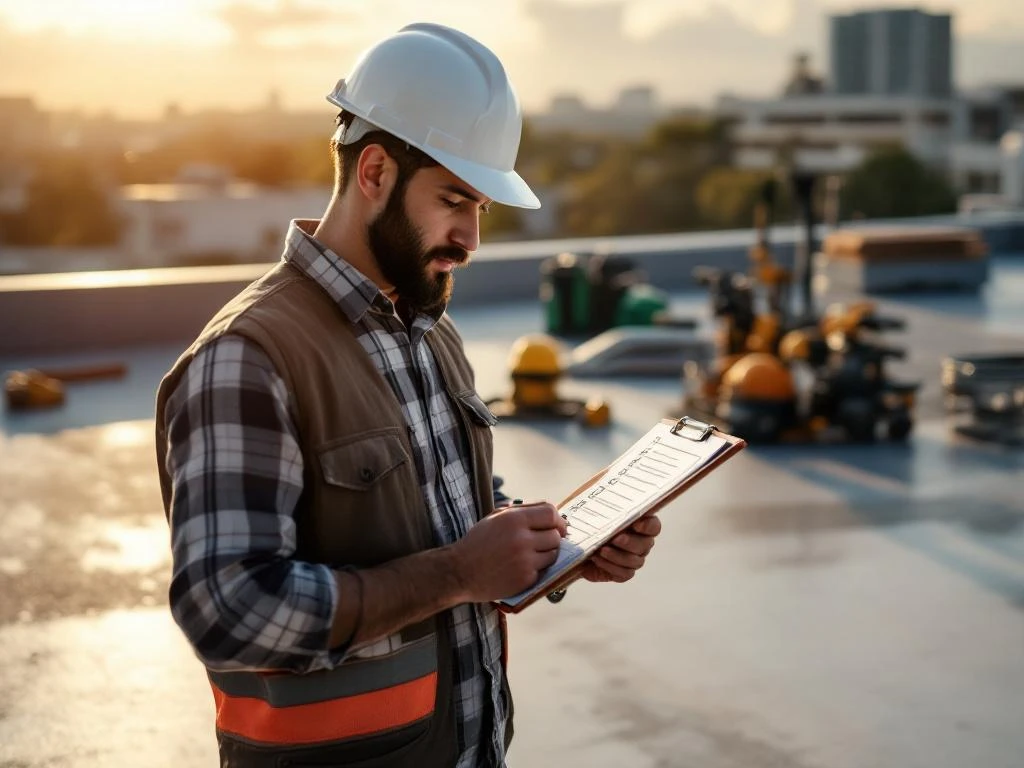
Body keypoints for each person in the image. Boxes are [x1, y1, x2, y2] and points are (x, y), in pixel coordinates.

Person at [154, 22, 662, 768]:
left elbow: (451, 519)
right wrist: (459, 573)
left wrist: (561, 551)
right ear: (375, 173)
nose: (469, 238)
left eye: (481, 209)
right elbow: (229, 613)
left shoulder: (426, 331)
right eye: (454, 200)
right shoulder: (248, 358)